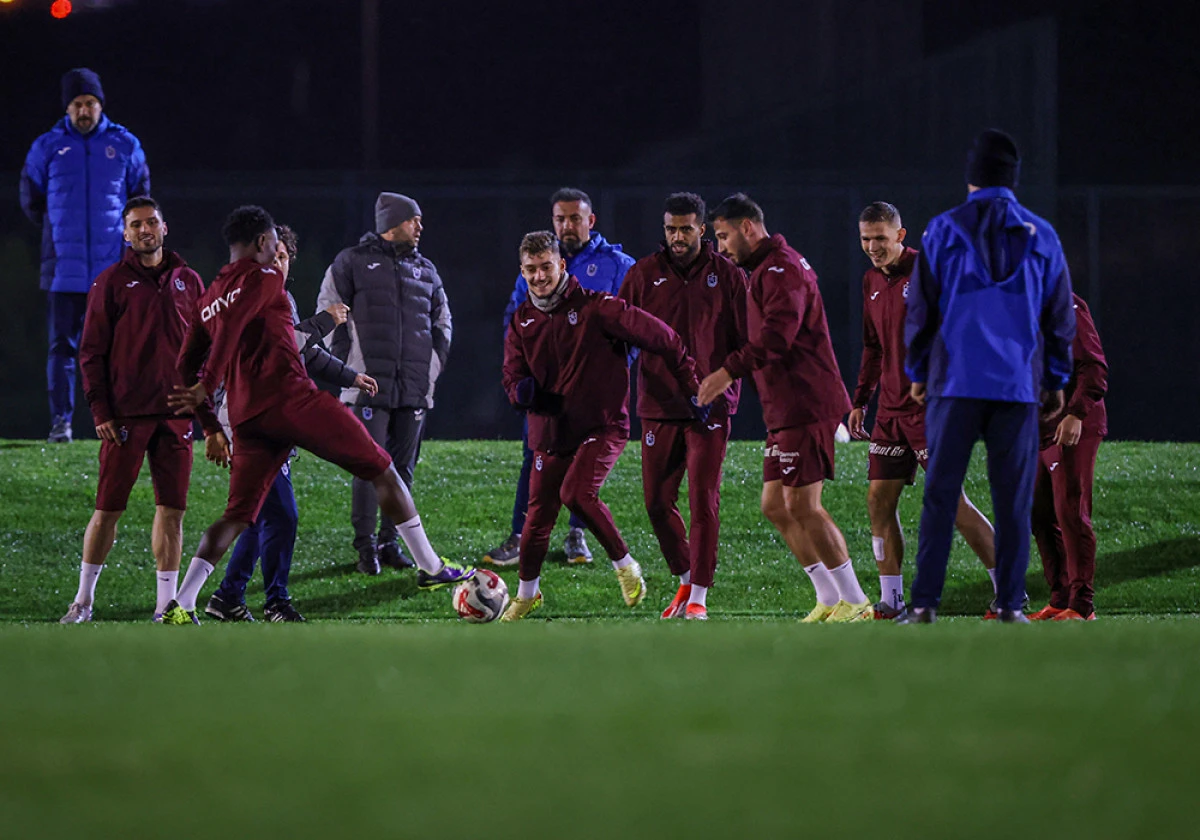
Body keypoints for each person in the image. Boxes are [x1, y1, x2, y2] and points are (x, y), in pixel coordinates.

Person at [161, 205, 472, 626]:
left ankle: (180, 604)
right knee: (382, 467)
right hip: (292, 401)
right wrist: (211, 381)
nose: (279, 254)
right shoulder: (265, 277)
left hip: (247, 418)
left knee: (238, 514)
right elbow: (238, 332)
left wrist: (210, 422)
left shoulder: (209, 300)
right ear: (261, 242)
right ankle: (431, 566)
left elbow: (184, 366)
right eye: (275, 244)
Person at [900, 129, 1076, 624]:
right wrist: (1056, 378)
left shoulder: (942, 230)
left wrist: (917, 369)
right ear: (1013, 178)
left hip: (954, 382)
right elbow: (1060, 316)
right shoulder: (1042, 235)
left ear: (971, 176)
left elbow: (921, 308)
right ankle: (1010, 605)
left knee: (941, 495)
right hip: (1016, 385)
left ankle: (924, 604)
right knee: (1012, 501)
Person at [498, 231, 703, 621]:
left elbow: (663, 337)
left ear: (562, 265)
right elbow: (511, 376)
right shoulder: (522, 321)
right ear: (522, 272)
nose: (539, 276)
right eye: (531, 270)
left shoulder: (598, 307)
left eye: (546, 267)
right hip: (550, 431)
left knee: (576, 493)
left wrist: (692, 385)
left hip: (602, 425)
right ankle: (527, 595)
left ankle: (625, 566)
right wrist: (521, 393)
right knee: (537, 518)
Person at [697, 194, 872, 623]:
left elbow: (778, 337)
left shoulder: (781, 269)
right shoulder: (766, 270)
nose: (721, 247)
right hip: (784, 407)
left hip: (806, 403)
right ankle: (829, 597)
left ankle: (856, 601)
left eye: (723, 236)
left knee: (803, 504)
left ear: (748, 227)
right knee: (775, 505)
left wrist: (727, 372)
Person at [204, 224, 377, 623]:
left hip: (268, 420)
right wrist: (325, 321)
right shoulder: (247, 298)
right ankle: (272, 601)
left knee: (256, 514)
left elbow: (304, 354)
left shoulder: (282, 300)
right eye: (272, 255)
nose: (278, 263)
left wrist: (351, 377)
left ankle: (228, 596)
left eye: (284, 257)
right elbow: (282, 348)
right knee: (281, 514)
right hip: (245, 419)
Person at [60, 197, 213, 623]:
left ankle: (166, 605)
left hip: (177, 415)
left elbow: (205, 349)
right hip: (125, 416)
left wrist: (205, 408)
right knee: (108, 509)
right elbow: (90, 352)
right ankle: (83, 601)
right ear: (125, 234)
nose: (145, 230)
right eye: (136, 225)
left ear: (165, 228)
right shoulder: (110, 282)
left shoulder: (189, 280)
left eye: (151, 222)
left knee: (173, 511)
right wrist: (100, 411)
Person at [849, 201, 1000, 620]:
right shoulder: (870, 281)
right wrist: (860, 399)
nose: (872, 247)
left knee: (951, 502)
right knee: (879, 500)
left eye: (880, 238)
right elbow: (874, 346)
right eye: (865, 239)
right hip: (890, 413)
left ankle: (1009, 591)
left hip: (932, 411)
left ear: (901, 235)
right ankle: (891, 600)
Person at [483, 188, 636, 567]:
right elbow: (514, 320)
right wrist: (522, 377)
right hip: (547, 391)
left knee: (585, 463)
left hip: (593, 393)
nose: (567, 225)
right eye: (560, 219)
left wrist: (613, 372)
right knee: (534, 456)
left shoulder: (618, 265)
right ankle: (520, 536)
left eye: (574, 218)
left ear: (590, 220)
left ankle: (576, 535)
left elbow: (635, 325)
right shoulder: (536, 265)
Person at [618, 192, 747, 620]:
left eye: (685, 229)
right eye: (671, 229)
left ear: (702, 229)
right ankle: (686, 577)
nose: (677, 237)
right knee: (656, 502)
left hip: (710, 408)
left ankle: (699, 598)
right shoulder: (643, 274)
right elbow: (621, 333)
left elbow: (747, 340)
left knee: (702, 501)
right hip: (658, 404)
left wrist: (724, 386)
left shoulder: (727, 275)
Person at [316, 193, 451, 576]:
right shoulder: (352, 261)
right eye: (413, 219)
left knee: (402, 469)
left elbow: (443, 323)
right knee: (369, 468)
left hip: (413, 388)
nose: (420, 226)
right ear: (392, 223)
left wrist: (431, 369)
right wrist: (347, 367)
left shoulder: (426, 269)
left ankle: (390, 544)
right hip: (367, 387)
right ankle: (365, 548)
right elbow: (328, 311)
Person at [21, 68, 151, 443]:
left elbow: (140, 199)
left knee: (120, 349)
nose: (84, 110)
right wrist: (58, 230)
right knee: (62, 347)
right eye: (77, 103)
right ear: (67, 107)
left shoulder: (124, 143)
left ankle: (121, 419)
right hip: (64, 269)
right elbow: (31, 199)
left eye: (90, 103)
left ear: (100, 105)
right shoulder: (46, 146)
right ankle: (61, 424)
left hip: (113, 270)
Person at [1029, 293, 1107, 621]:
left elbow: (1093, 365)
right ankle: (1060, 599)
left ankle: (1082, 605)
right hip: (1038, 427)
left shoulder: (1066, 304)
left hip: (1072, 424)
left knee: (1070, 511)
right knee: (1037, 512)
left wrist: (1076, 413)